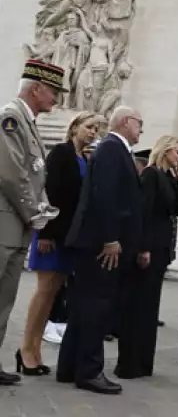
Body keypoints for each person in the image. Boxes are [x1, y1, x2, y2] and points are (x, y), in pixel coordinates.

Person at [56, 106, 144, 395]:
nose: (141, 130)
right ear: (126, 122)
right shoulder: (111, 149)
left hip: (93, 240)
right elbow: (103, 195)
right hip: (100, 243)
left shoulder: (110, 150)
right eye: (139, 124)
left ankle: (69, 367)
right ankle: (90, 371)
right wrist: (110, 238)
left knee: (82, 307)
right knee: (96, 307)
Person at [18, 111, 98, 374]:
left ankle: (35, 350)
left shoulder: (83, 159)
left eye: (96, 129)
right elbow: (50, 193)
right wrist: (46, 234)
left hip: (67, 238)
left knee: (52, 295)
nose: (93, 132)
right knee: (43, 292)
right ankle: (26, 349)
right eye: (88, 127)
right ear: (74, 127)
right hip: (52, 235)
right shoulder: (62, 154)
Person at [0, 59, 65, 386]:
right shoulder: (11, 118)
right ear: (36, 88)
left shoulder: (28, 121)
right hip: (5, 225)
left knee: (4, 299)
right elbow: (12, 174)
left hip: (15, 228)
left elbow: (35, 174)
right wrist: (35, 213)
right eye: (54, 91)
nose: (57, 99)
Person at [116, 135, 178, 378]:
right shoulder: (150, 174)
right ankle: (128, 363)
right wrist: (142, 247)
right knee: (137, 307)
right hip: (148, 249)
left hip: (160, 250)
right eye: (177, 152)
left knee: (149, 309)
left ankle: (143, 362)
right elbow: (142, 213)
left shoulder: (168, 178)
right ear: (165, 151)